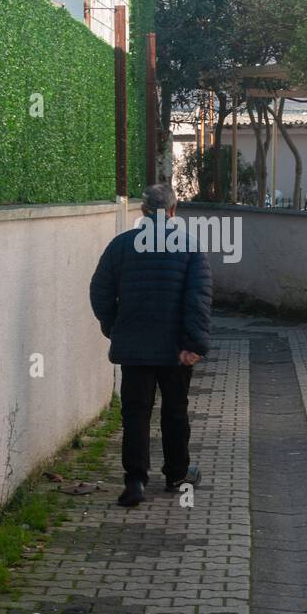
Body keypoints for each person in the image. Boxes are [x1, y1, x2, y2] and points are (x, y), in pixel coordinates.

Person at [89, 184, 212, 507]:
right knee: (174, 411)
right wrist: (194, 344)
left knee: (135, 412)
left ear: (142, 212)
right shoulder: (189, 246)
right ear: (173, 211)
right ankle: (177, 473)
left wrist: (114, 327)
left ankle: (134, 481)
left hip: (134, 348)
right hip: (175, 350)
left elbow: (100, 291)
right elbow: (197, 301)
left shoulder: (121, 246)